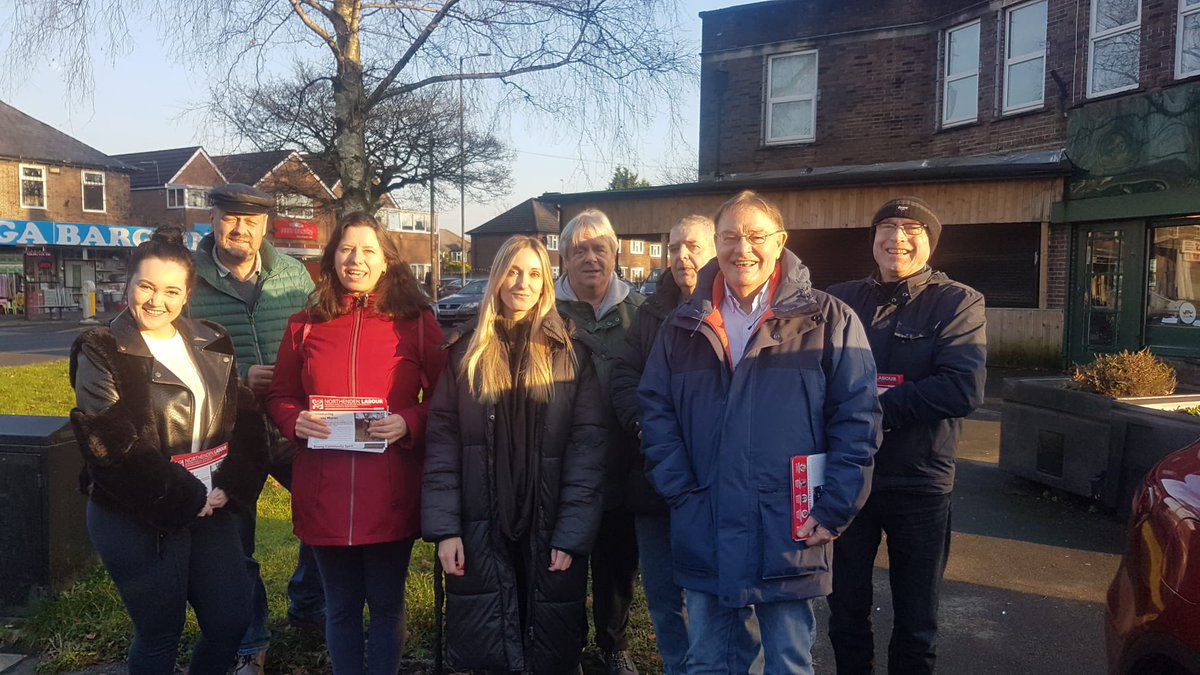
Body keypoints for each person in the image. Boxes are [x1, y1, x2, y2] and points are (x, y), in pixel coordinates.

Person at [638, 190, 881, 675]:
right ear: (716, 243)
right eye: (729, 236)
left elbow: (858, 419)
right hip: (705, 517)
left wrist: (834, 507)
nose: (741, 248)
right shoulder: (682, 325)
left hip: (790, 530)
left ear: (780, 242)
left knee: (788, 662)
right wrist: (680, 489)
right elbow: (655, 410)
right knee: (708, 660)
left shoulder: (828, 320)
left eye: (755, 236)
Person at [68, 226, 268, 675]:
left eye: (171, 290)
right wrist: (186, 500)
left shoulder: (212, 339)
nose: (157, 300)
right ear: (128, 285)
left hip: (210, 505)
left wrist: (230, 488)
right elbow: (113, 446)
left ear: (187, 295)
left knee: (231, 619)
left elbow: (246, 422)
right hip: (138, 513)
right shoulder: (101, 348)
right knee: (160, 632)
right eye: (146, 286)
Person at [267, 212, 447, 675]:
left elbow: (446, 399)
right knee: (341, 607)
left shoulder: (416, 322)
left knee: (387, 607)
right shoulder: (303, 325)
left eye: (367, 250)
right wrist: (294, 420)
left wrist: (408, 421)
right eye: (346, 249)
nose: (356, 259)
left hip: (389, 492)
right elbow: (280, 396)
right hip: (323, 492)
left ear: (386, 261)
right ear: (332, 258)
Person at [422, 235, 607, 674]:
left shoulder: (570, 353)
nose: (522, 283)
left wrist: (571, 533)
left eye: (534, 273)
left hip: (548, 525)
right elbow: (443, 446)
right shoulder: (465, 354)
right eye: (513, 271)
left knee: (548, 642)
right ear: (497, 276)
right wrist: (445, 530)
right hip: (480, 522)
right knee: (488, 643)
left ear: (547, 283)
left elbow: (587, 452)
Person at [826, 196, 987, 675]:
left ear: (929, 243)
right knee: (844, 614)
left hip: (920, 483)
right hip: (848, 481)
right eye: (887, 228)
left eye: (912, 229)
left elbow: (962, 387)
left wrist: (865, 412)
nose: (898, 237)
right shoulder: (838, 299)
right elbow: (810, 377)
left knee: (917, 623)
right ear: (873, 241)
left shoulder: (959, 301)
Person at [611, 215, 763, 675]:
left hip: (718, 484)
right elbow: (624, 377)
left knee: (729, 594)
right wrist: (646, 428)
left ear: (715, 247)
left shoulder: (736, 309)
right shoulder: (649, 314)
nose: (681, 257)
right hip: (656, 480)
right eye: (673, 247)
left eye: (692, 246)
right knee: (662, 595)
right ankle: (681, 667)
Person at [188, 183, 321, 675]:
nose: (240, 229)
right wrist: (239, 379)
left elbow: (318, 339)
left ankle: (309, 604)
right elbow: (170, 355)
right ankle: (251, 641)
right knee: (234, 542)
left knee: (323, 517)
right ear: (214, 218)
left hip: (292, 426)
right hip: (227, 433)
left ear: (266, 226)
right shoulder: (188, 278)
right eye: (230, 218)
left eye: (251, 220)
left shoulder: (292, 273)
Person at [553, 209, 645, 675]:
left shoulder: (643, 313)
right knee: (562, 561)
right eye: (579, 250)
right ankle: (563, 645)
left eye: (599, 248)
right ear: (564, 258)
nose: (590, 258)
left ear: (615, 254)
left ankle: (613, 644)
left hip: (622, 461)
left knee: (616, 564)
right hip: (559, 463)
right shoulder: (542, 312)